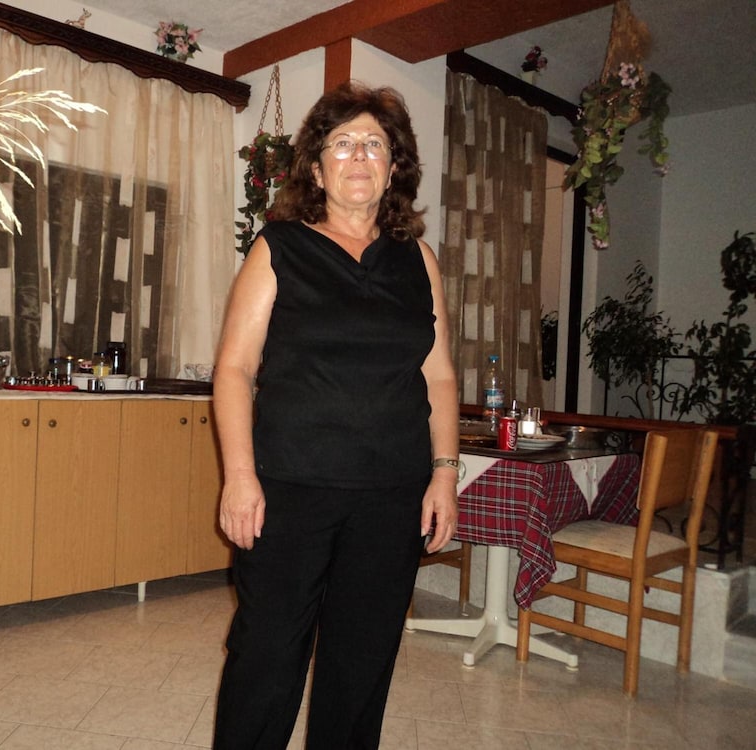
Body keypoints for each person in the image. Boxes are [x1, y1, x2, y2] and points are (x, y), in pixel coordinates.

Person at [212, 81, 460, 749]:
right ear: (317, 169)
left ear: (393, 167)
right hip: (289, 488)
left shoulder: (418, 260)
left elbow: (438, 374)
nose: (359, 156)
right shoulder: (279, 248)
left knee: (362, 660)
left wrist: (444, 473)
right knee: (266, 655)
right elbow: (234, 369)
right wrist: (240, 476)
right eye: (343, 144)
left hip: (392, 493)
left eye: (374, 145)